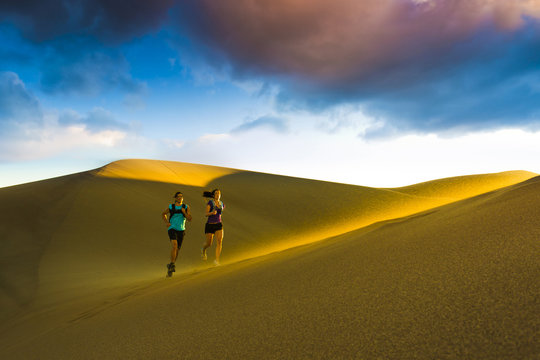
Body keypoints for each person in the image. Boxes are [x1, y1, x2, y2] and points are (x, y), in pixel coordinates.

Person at [161, 191, 192, 276]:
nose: (180, 198)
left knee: (177, 249)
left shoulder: (186, 207)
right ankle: (172, 264)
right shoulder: (171, 206)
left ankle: (171, 265)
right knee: (174, 245)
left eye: (181, 196)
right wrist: (167, 222)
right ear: (175, 198)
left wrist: (184, 212)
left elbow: (189, 219)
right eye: (178, 196)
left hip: (181, 230)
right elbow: (163, 214)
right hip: (172, 228)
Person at [201, 189, 225, 266]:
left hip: (218, 224)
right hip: (210, 225)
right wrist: (211, 213)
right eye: (216, 193)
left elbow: (220, 213)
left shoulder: (222, 204)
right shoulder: (210, 203)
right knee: (209, 243)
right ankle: (203, 250)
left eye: (219, 193)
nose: (218, 194)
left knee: (219, 241)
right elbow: (206, 214)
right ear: (213, 195)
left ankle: (217, 260)